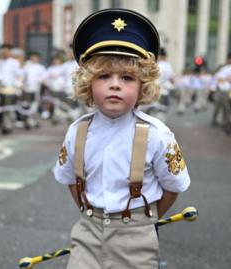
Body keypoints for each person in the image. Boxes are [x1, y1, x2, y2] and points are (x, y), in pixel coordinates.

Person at [52, 9, 191, 269]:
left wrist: (145, 220)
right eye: (104, 76)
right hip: (88, 232)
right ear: (88, 83)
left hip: (136, 236)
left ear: (143, 86)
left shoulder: (157, 134)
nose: (114, 85)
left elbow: (173, 187)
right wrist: (89, 213)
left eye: (127, 78)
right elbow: (71, 180)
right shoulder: (76, 131)